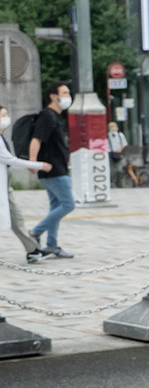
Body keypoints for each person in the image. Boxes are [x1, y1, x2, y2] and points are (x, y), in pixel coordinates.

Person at [27, 83, 74, 260]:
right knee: (68, 204)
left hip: (57, 168)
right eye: (64, 93)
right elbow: (36, 139)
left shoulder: (56, 116)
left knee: (56, 206)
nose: (68, 96)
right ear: (53, 96)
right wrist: (33, 162)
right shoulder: (47, 116)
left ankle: (52, 245)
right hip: (52, 169)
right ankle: (34, 233)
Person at [0, 105, 52, 260]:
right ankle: (33, 250)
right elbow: (11, 160)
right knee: (15, 216)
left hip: (5, 183)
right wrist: (39, 165)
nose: (6, 118)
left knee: (16, 218)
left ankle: (33, 250)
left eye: (6, 114)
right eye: (3, 115)